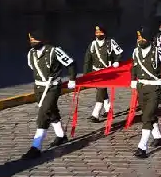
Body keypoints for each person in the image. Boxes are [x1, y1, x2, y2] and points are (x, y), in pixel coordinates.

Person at [23, 30, 77, 159]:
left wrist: (72, 79)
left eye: (35, 41)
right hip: (39, 87)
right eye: (31, 41)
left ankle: (36, 146)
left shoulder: (54, 51)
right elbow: (33, 68)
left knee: (44, 112)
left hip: (52, 86)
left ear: (41, 40)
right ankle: (61, 136)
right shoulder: (31, 53)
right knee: (51, 111)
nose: (32, 43)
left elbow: (71, 63)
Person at [130, 27, 161, 159]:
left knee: (147, 117)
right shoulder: (135, 52)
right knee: (147, 114)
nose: (140, 40)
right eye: (138, 37)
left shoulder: (158, 52)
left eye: (142, 37)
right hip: (141, 87)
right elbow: (134, 67)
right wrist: (133, 80)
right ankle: (158, 137)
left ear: (149, 38)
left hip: (154, 88)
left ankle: (142, 147)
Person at [83, 25, 122, 122]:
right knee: (102, 91)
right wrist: (85, 75)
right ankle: (108, 109)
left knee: (100, 91)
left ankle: (95, 114)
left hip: (107, 71)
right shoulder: (92, 44)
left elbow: (119, 52)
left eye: (100, 33)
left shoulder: (110, 42)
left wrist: (117, 61)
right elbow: (87, 59)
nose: (98, 34)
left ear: (104, 33)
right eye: (97, 33)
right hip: (96, 71)